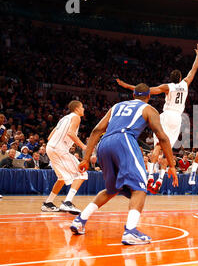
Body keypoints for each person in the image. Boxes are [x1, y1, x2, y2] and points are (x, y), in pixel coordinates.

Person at [70, 83, 178, 245]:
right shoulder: (148, 109)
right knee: (140, 188)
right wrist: (172, 165)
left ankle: (80, 220)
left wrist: (86, 158)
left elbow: (96, 131)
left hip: (104, 144)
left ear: (133, 95)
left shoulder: (116, 106)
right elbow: (162, 138)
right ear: (149, 96)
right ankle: (130, 231)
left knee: (112, 189)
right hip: (124, 140)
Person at [117, 42, 198, 194]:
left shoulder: (167, 87)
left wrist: (127, 86)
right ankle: (160, 179)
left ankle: (150, 175)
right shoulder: (185, 84)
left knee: (157, 146)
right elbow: (193, 70)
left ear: (171, 78)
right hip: (178, 118)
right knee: (167, 149)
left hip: (167, 115)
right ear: (180, 77)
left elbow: (145, 91)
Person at [41, 100, 88, 214]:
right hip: (59, 149)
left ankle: (48, 203)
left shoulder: (64, 119)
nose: (83, 109)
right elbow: (71, 133)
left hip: (51, 147)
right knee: (82, 173)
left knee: (61, 178)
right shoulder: (76, 117)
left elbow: (49, 137)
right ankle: (67, 203)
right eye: (82, 107)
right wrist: (84, 147)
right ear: (77, 109)